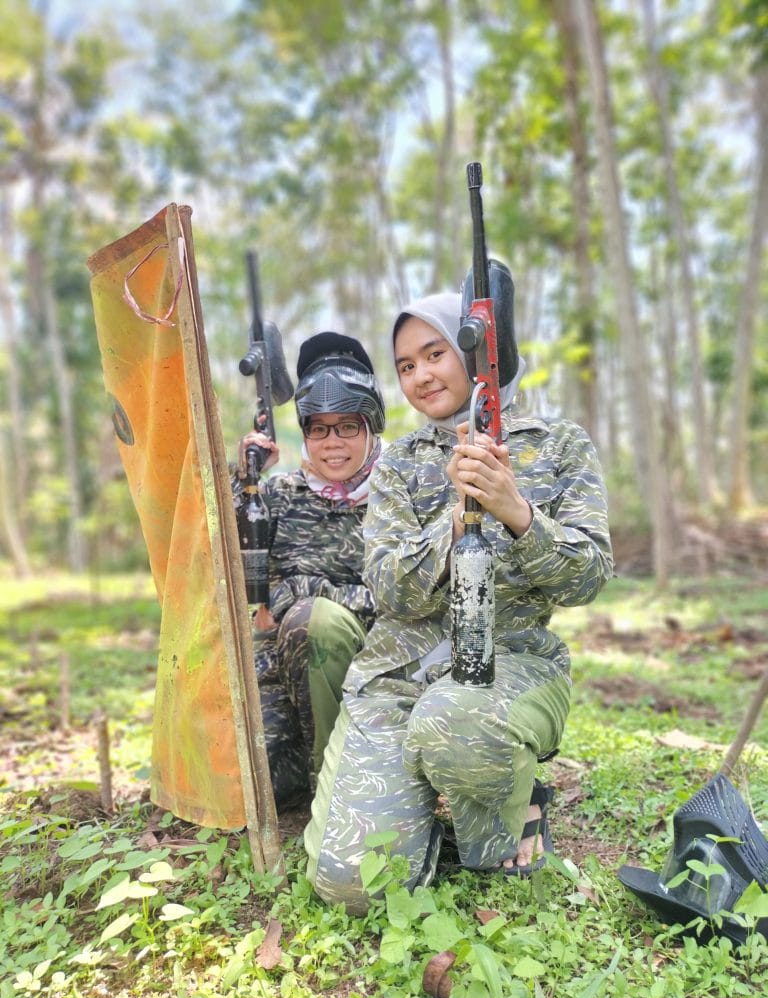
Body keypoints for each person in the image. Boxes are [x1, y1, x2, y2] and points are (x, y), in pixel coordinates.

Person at [304, 290, 613, 912]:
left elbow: (588, 578)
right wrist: (452, 519)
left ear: (478, 353)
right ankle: (421, 805)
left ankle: (506, 813)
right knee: (352, 887)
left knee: (455, 723)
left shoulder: (557, 444)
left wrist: (516, 511)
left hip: (510, 669)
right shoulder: (397, 466)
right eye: (406, 366)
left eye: (434, 353)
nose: (420, 376)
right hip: (398, 678)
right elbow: (388, 587)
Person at [233, 331, 386, 810]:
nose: (332, 443)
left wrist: (305, 592)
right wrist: (244, 479)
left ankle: (336, 790)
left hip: (374, 672)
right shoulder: (278, 495)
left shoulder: (396, 493)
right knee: (254, 789)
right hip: (285, 676)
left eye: (347, 427)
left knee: (309, 619)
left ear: (370, 428)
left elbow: (399, 597)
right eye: (318, 428)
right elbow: (231, 571)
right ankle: (308, 767)